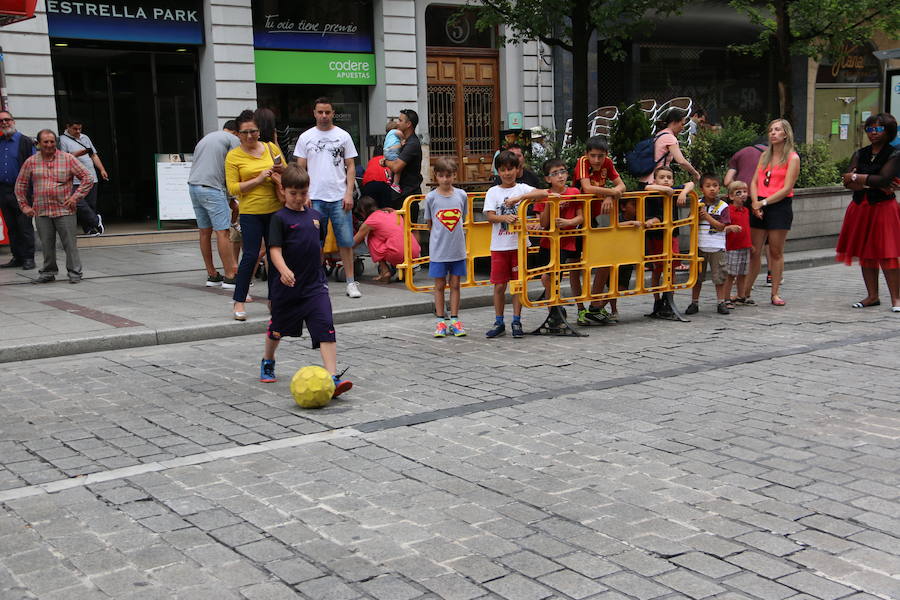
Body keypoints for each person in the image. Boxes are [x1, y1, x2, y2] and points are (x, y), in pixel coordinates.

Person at [259, 164, 352, 397]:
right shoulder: (278, 219)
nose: (299, 198)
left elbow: (317, 246)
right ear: (283, 191)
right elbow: (275, 251)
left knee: (325, 327)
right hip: (287, 287)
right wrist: (283, 270)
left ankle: (331, 376)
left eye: (303, 193)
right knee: (277, 328)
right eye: (293, 193)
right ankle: (268, 360)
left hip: (315, 286)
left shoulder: (317, 218)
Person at [294, 98, 361, 298]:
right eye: (320, 112)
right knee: (315, 243)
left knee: (346, 241)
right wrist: (304, 194)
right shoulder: (306, 137)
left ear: (333, 113)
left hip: (339, 197)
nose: (324, 116)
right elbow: (300, 168)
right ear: (314, 113)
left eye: (327, 112)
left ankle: (351, 282)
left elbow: (350, 166)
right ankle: (317, 281)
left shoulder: (343, 136)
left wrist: (349, 193)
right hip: (314, 198)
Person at [836, 113, 900, 312]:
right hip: (860, 207)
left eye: (879, 129)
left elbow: (883, 179)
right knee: (866, 254)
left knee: (887, 254)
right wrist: (866, 181)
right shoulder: (861, 152)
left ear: (888, 130)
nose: (873, 133)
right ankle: (872, 296)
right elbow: (846, 181)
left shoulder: (894, 153)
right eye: (870, 129)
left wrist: (857, 176)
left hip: (883, 208)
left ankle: (896, 299)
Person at [226, 110, 286, 320]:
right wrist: (259, 179)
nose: (250, 136)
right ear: (238, 134)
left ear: (259, 131)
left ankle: (275, 300)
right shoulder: (233, 156)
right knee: (250, 256)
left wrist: (279, 171)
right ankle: (239, 301)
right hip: (251, 212)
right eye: (245, 132)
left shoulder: (271, 148)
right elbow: (233, 188)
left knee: (275, 255)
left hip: (275, 210)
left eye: (253, 131)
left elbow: (287, 174)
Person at [15, 129, 93, 283]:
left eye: (52, 142)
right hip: (41, 210)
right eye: (46, 142)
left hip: (65, 209)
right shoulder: (31, 162)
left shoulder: (68, 159)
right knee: (46, 244)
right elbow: (20, 185)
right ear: (38, 144)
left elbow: (87, 178)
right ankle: (48, 273)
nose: (50, 145)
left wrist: (75, 197)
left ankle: (75, 273)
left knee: (70, 244)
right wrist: (24, 206)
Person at [513, 158, 583, 308]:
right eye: (555, 173)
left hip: (568, 241)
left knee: (561, 274)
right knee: (547, 276)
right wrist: (550, 203)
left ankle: (573, 308)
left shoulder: (574, 192)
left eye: (563, 171)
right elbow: (544, 223)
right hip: (548, 243)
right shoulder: (543, 195)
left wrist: (568, 223)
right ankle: (555, 308)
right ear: (547, 178)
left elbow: (580, 216)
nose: (560, 176)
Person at [573, 136, 626, 323]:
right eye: (593, 155)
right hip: (576, 217)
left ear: (606, 155)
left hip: (594, 219)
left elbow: (622, 185)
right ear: (587, 154)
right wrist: (612, 193)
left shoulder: (608, 163)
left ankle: (594, 306)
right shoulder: (582, 162)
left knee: (604, 260)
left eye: (600, 156)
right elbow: (586, 188)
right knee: (574, 266)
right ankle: (580, 308)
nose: (596, 160)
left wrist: (610, 197)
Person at [483, 150, 536, 338]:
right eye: (503, 169)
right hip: (499, 246)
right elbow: (489, 215)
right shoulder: (493, 191)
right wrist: (503, 217)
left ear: (517, 169)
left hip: (519, 246)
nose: (507, 173)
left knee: (517, 285)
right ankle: (499, 321)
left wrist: (520, 198)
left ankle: (516, 320)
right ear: (498, 171)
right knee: (499, 285)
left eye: (511, 169)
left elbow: (544, 192)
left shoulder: (522, 188)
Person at [747, 118, 800, 306]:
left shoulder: (792, 157)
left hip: (778, 205)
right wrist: (754, 202)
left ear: (786, 133)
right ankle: (745, 292)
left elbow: (787, 188)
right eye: (770, 130)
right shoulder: (764, 156)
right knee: (754, 251)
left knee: (776, 251)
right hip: (758, 203)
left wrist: (763, 203)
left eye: (777, 130)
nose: (773, 133)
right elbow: (754, 181)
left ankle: (775, 293)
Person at [188, 119, 240, 288]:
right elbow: (232, 168)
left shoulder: (206, 138)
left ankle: (212, 275)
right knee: (222, 232)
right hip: (212, 188)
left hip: (194, 187)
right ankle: (230, 275)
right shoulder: (232, 140)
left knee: (204, 232)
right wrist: (233, 198)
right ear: (236, 132)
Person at [422, 157, 468, 337]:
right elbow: (429, 222)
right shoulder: (431, 197)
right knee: (439, 285)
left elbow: (462, 216)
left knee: (455, 284)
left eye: (448, 175)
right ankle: (441, 320)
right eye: (441, 176)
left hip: (457, 249)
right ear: (436, 176)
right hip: (439, 250)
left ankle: (455, 319)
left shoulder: (461, 195)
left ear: (454, 175)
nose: (445, 179)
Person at [644, 166, 694, 316]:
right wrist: (663, 189)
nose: (666, 180)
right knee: (657, 269)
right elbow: (646, 187)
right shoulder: (653, 191)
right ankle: (657, 300)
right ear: (655, 179)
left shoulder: (675, 192)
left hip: (671, 235)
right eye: (662, 177)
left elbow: (690, 183)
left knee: (671, 267)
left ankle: (668, 298)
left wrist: (684, 192)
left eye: (669, 177)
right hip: (656, 236)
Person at [684, 173, 734, 316]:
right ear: (702, 189)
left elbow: (721, 226)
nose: (712, 189)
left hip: (716, 246)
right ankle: (694, 302)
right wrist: (697, 217)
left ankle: (721, 302)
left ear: (719, 188)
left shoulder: (723, 206)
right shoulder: (697, 203)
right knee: (697, 277)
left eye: (715, 186)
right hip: (699, 245)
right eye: (708, 186)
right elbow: (689, 222)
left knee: (719, 276)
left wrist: (707, 217)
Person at [352, 195, 420, 282]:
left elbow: (354, 242)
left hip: (397, 253)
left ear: (362, 212)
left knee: (370, 237)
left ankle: (385, 271)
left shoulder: (370, 221)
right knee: (397, 237)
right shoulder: (393, 212)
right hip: (414, 252)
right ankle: (406, 271)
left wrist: (341, 250)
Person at [58, 118, 108, 235]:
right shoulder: (62, 140)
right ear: (68, 127)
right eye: (75, 129)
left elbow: (93, 155)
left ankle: (89, 229)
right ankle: (96, 221)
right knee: (79, 203)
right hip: (75, 179)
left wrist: (102, 169)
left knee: (91, 204)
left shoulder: (85, 138)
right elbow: (62, 158)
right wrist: (78, 153)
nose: (78, 131)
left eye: (80, 128)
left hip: (91, 176)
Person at [0, 111, 36, 270]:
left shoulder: (25, 141)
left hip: (21, 191)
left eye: (7, 119)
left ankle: (29, 258)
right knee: (11, 226)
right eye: (1, 121)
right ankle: (18, 256)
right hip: (3, 190)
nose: (4, 123)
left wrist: (33, 191)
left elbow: (34, 167)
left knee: (25, 226)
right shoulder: (0, 142)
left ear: (13, 121)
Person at [639, 107, 700, 189]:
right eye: (682, 124)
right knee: (686, 189)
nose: (683, 128)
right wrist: (695, 173)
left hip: (645, 182)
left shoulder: (659, 135)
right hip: (656, 184)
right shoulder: (670, 138)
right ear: (674, 122)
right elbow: (681, 161)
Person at [382, 109, 423, 211]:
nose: (397, 123)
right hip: (400, 195)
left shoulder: (412, 144)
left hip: (407, 197)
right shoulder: (404, 141)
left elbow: (396, 167)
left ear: (408, 124)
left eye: (400, 120)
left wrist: (385, 162)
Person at [723, 181, 754, 307]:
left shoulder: (746, 210)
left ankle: (741, 296)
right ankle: (726, 298)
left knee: (743, 272)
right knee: (730, 274)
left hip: (744, 246)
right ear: (731, 196)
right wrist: (730, 228)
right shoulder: (728, 210)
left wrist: (750, 244)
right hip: (732, 247)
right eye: (738, 193)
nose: (743, 195)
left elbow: (747, 229)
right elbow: (722, 228)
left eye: (745, 192)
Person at [383, 118, 404, 193]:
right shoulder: (395, 131)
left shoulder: (388, 136)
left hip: (386, 151)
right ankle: (395, 184)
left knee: (390, 165)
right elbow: (399, 133)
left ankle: (389, 178)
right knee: (398, 168)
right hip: (393, 151)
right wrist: (402, 139)